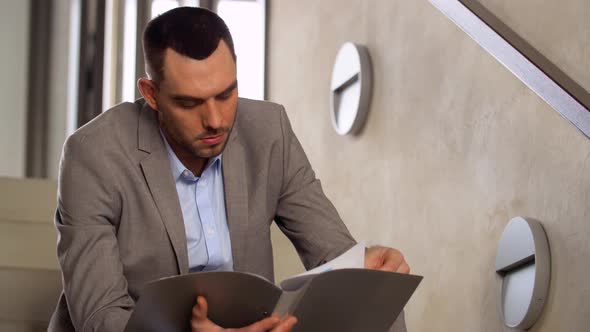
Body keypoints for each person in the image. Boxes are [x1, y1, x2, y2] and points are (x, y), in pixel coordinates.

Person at [48, 7, 410, 332]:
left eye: (226, 93)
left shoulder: (270, 131)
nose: (216, 120)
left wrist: (366, 266)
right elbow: (101, 318)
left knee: (380, 296)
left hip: (251, 324)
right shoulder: (93, 154)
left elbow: (334, 256)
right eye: (190, 103)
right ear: (151, 94)